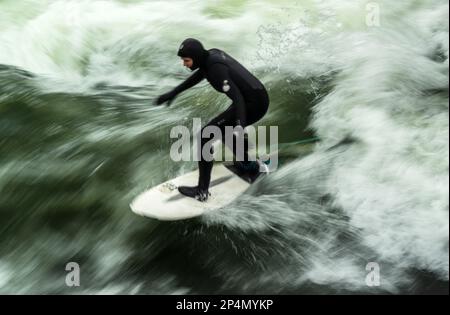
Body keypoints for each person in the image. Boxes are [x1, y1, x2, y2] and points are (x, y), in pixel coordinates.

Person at [156, 38, 269, 202]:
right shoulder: (209, 57)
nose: (184, 64)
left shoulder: (216, 70)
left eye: (186, 60)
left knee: (205, 136)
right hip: (256, 97)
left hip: (253, 104)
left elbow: (238, 98)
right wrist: (173, 92)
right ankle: (250, 167)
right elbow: (200, 74)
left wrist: (240, 127)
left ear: (195, 57)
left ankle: (201, 191)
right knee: (223, 130)